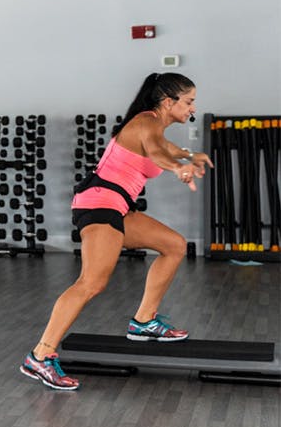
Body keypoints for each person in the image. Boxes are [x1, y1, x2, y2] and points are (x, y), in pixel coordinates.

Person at [21, 72, 211, 391]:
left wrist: (190, 156)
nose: (192, 108)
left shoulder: (155, 125)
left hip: (117, 206)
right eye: (189, 101)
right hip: (99, 203)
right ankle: (40, 356)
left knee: (174, 245)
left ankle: (144, 322)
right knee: (92, 282)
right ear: (169, 102)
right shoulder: (145, 122)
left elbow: (165, 148)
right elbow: (156, 153)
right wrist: (179, 166)